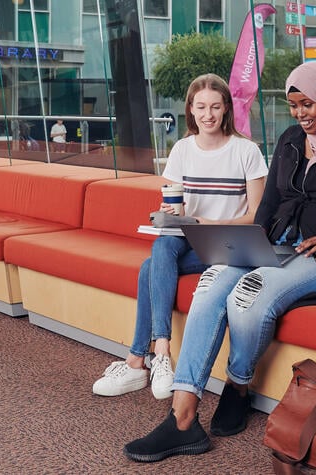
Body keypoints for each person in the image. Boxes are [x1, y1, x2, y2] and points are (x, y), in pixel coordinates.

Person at [123, 61, 316, 462]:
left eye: (308, 104)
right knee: (211, 284)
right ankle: (183, 420)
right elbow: (271, 203)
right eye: (294, 105)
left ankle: (239, 386)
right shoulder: (292, 140)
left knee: (247, 295)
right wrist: (246, 243)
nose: (300, 114)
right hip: (272, 243)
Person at [92, 74, 268, 401]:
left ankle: (139, 361)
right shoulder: (182, 150)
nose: (208, 114)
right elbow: (176, 203)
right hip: (190, 239)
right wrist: (171, 213)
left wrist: (210, 222)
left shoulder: (247, 151)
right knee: (163, 243)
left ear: (227, 108)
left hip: (230, 242)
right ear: (190, 109)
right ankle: (160, 351)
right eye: (200, 107)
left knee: (149, 269)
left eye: (215, 106)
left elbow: (258, 215)